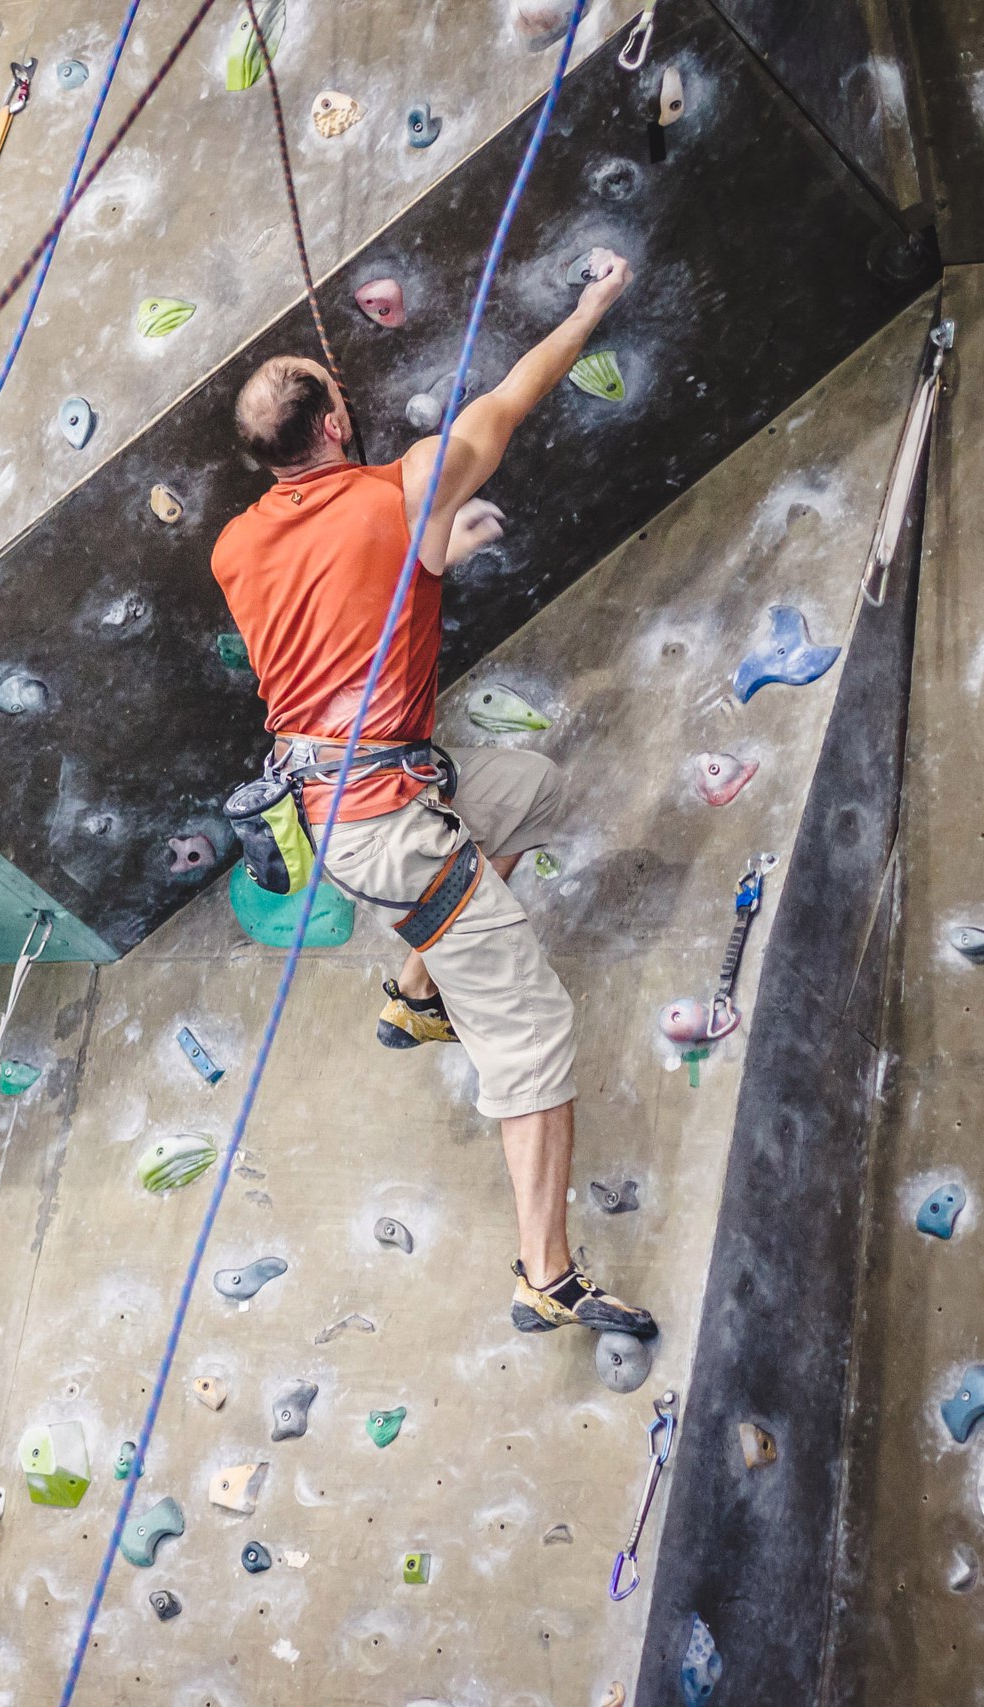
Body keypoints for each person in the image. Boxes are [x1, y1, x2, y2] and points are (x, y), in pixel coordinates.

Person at [208, 254, 656, 1342]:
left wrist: (433, 552)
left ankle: (417, 995)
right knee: (531, 1032)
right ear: (333, 425)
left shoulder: (234, 546)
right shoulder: (400, 487)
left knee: (528, 787)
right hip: (388, 829)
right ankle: (545, 1277)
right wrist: (592, 306)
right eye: (336, 391)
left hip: (352, 799)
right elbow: (512, 397)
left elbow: (334, 602)